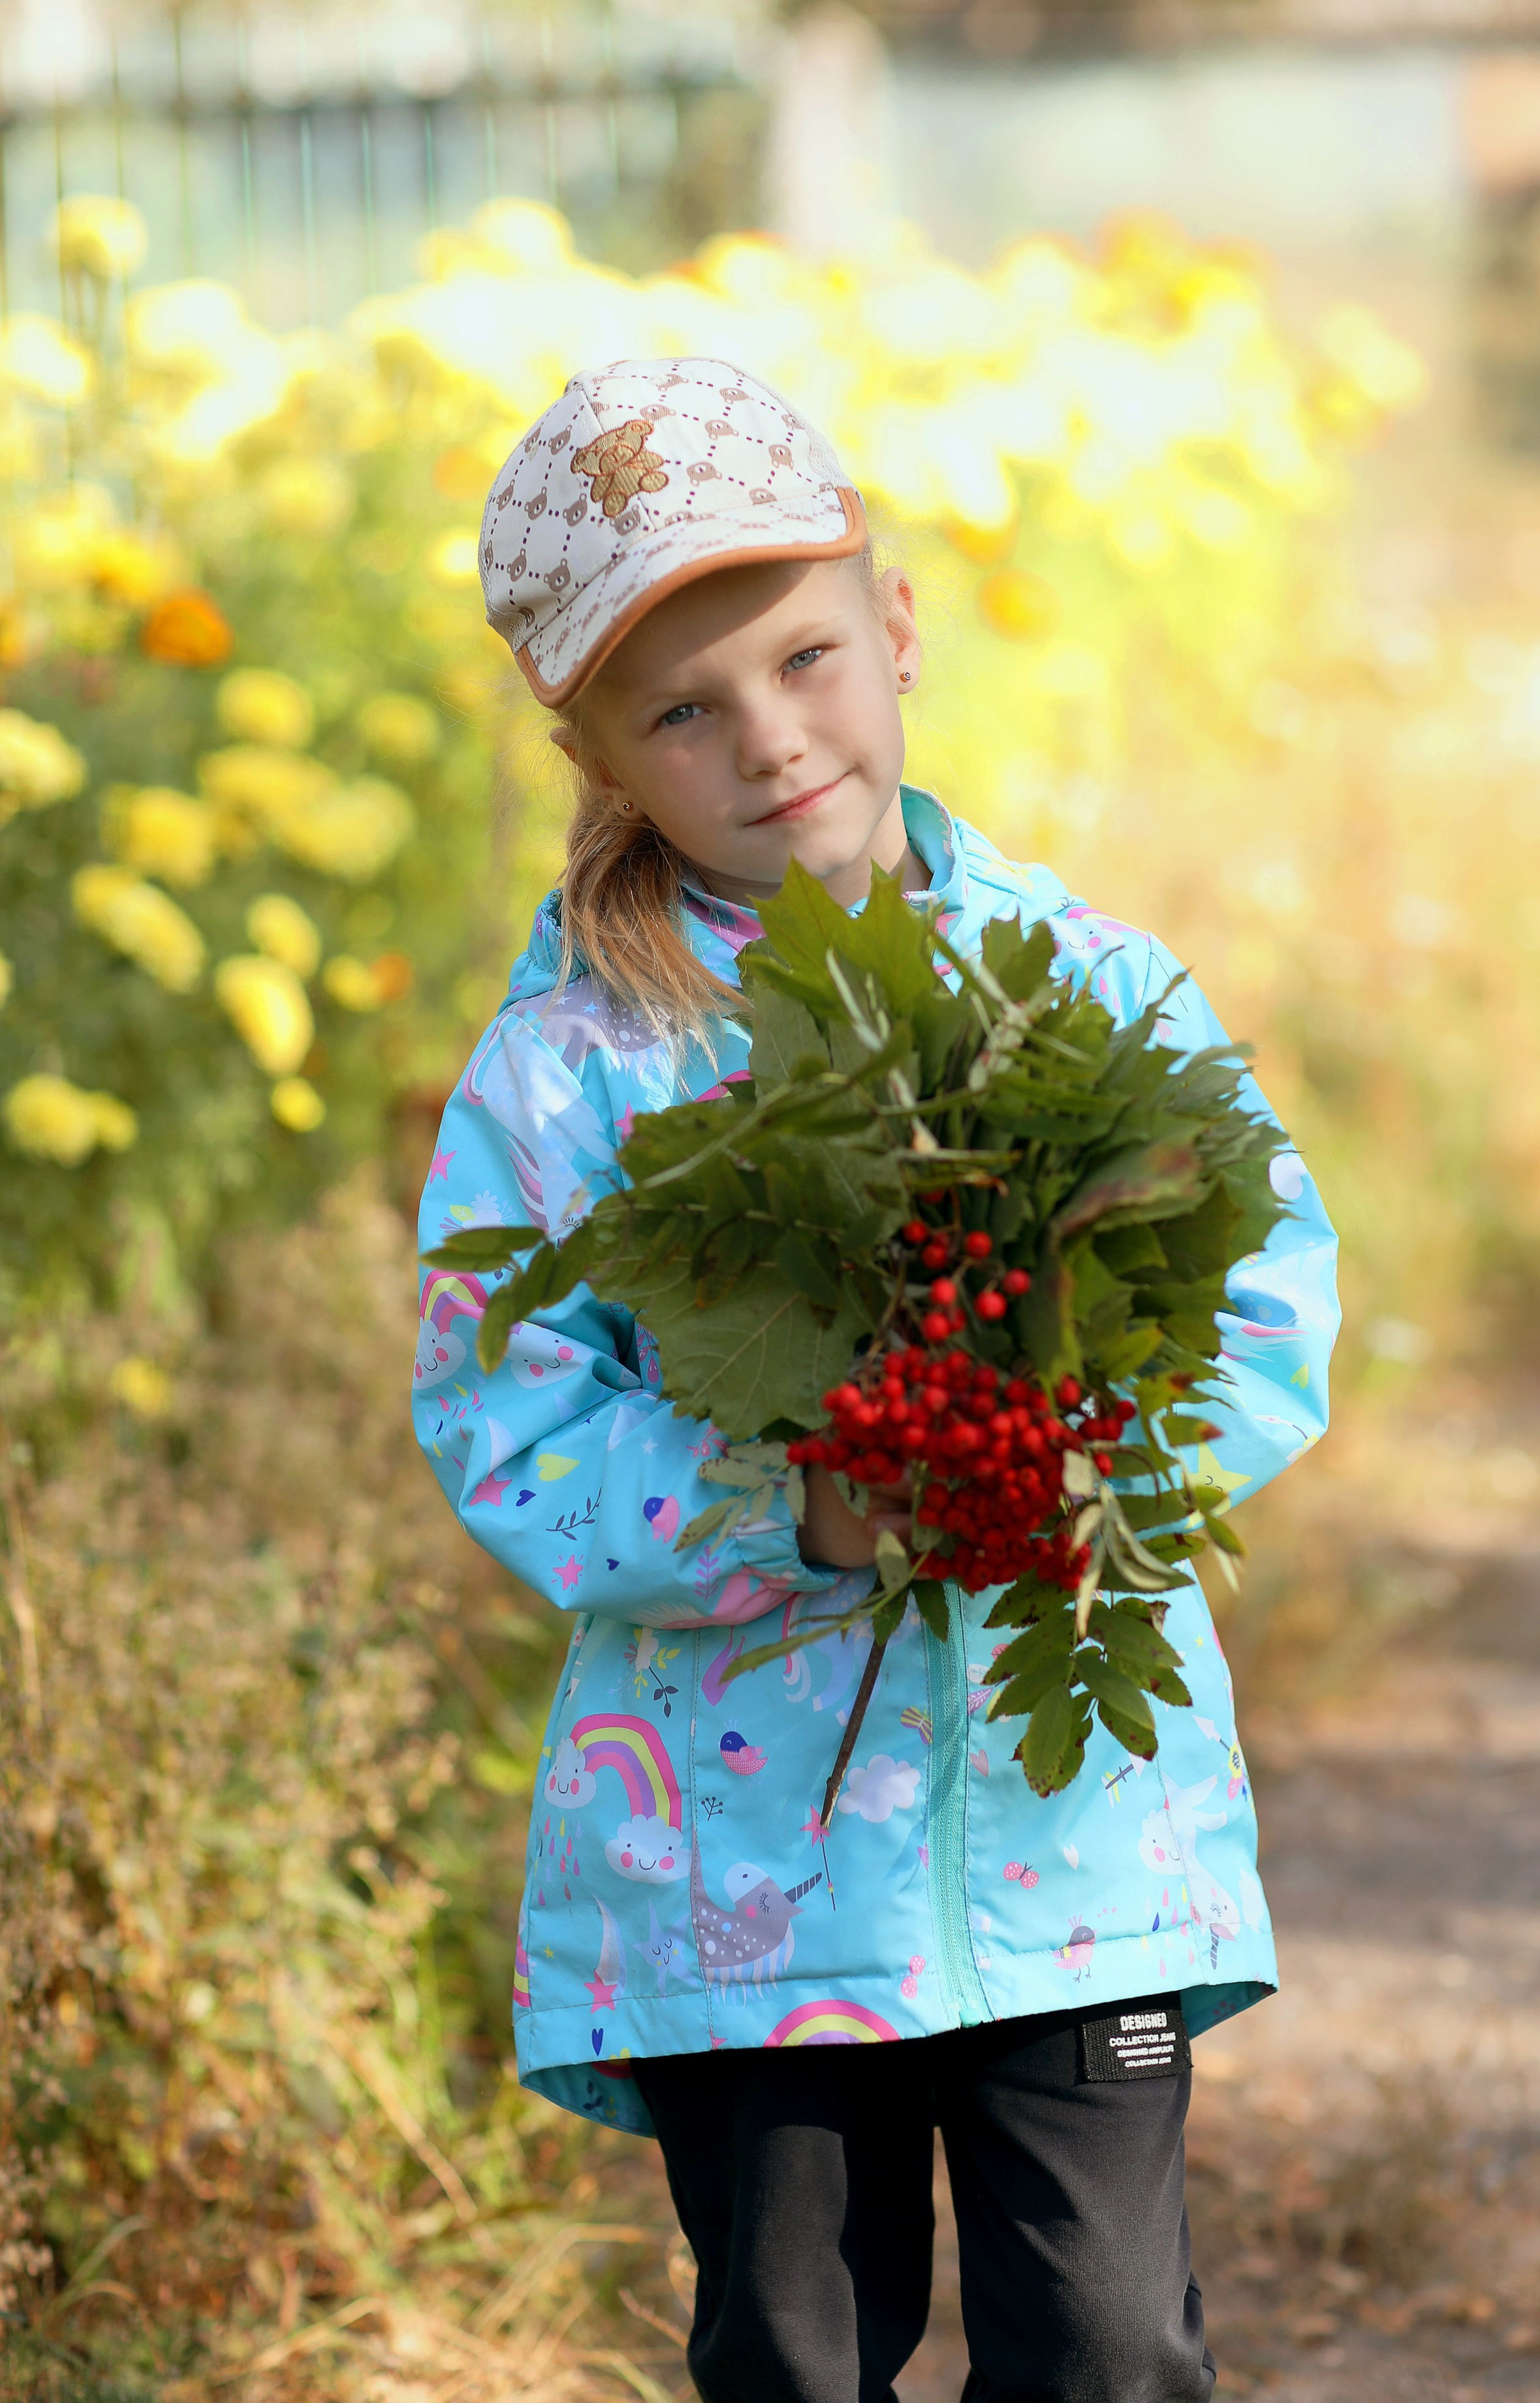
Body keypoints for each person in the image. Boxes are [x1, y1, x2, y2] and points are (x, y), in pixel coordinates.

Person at [415, 356, 1339, 2403]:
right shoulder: (572, 1067)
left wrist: (1071, 1452)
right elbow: (505, 1415)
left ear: (897, 624)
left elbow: (1265, 1289)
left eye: (806, 657)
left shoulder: (1082, 981)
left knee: (1108, 2349)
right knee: (796, 2358)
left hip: (1075, 1852)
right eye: (682, 710)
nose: (768, 737)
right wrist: (797, 1506)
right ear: (591, 751)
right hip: (741, 1886)